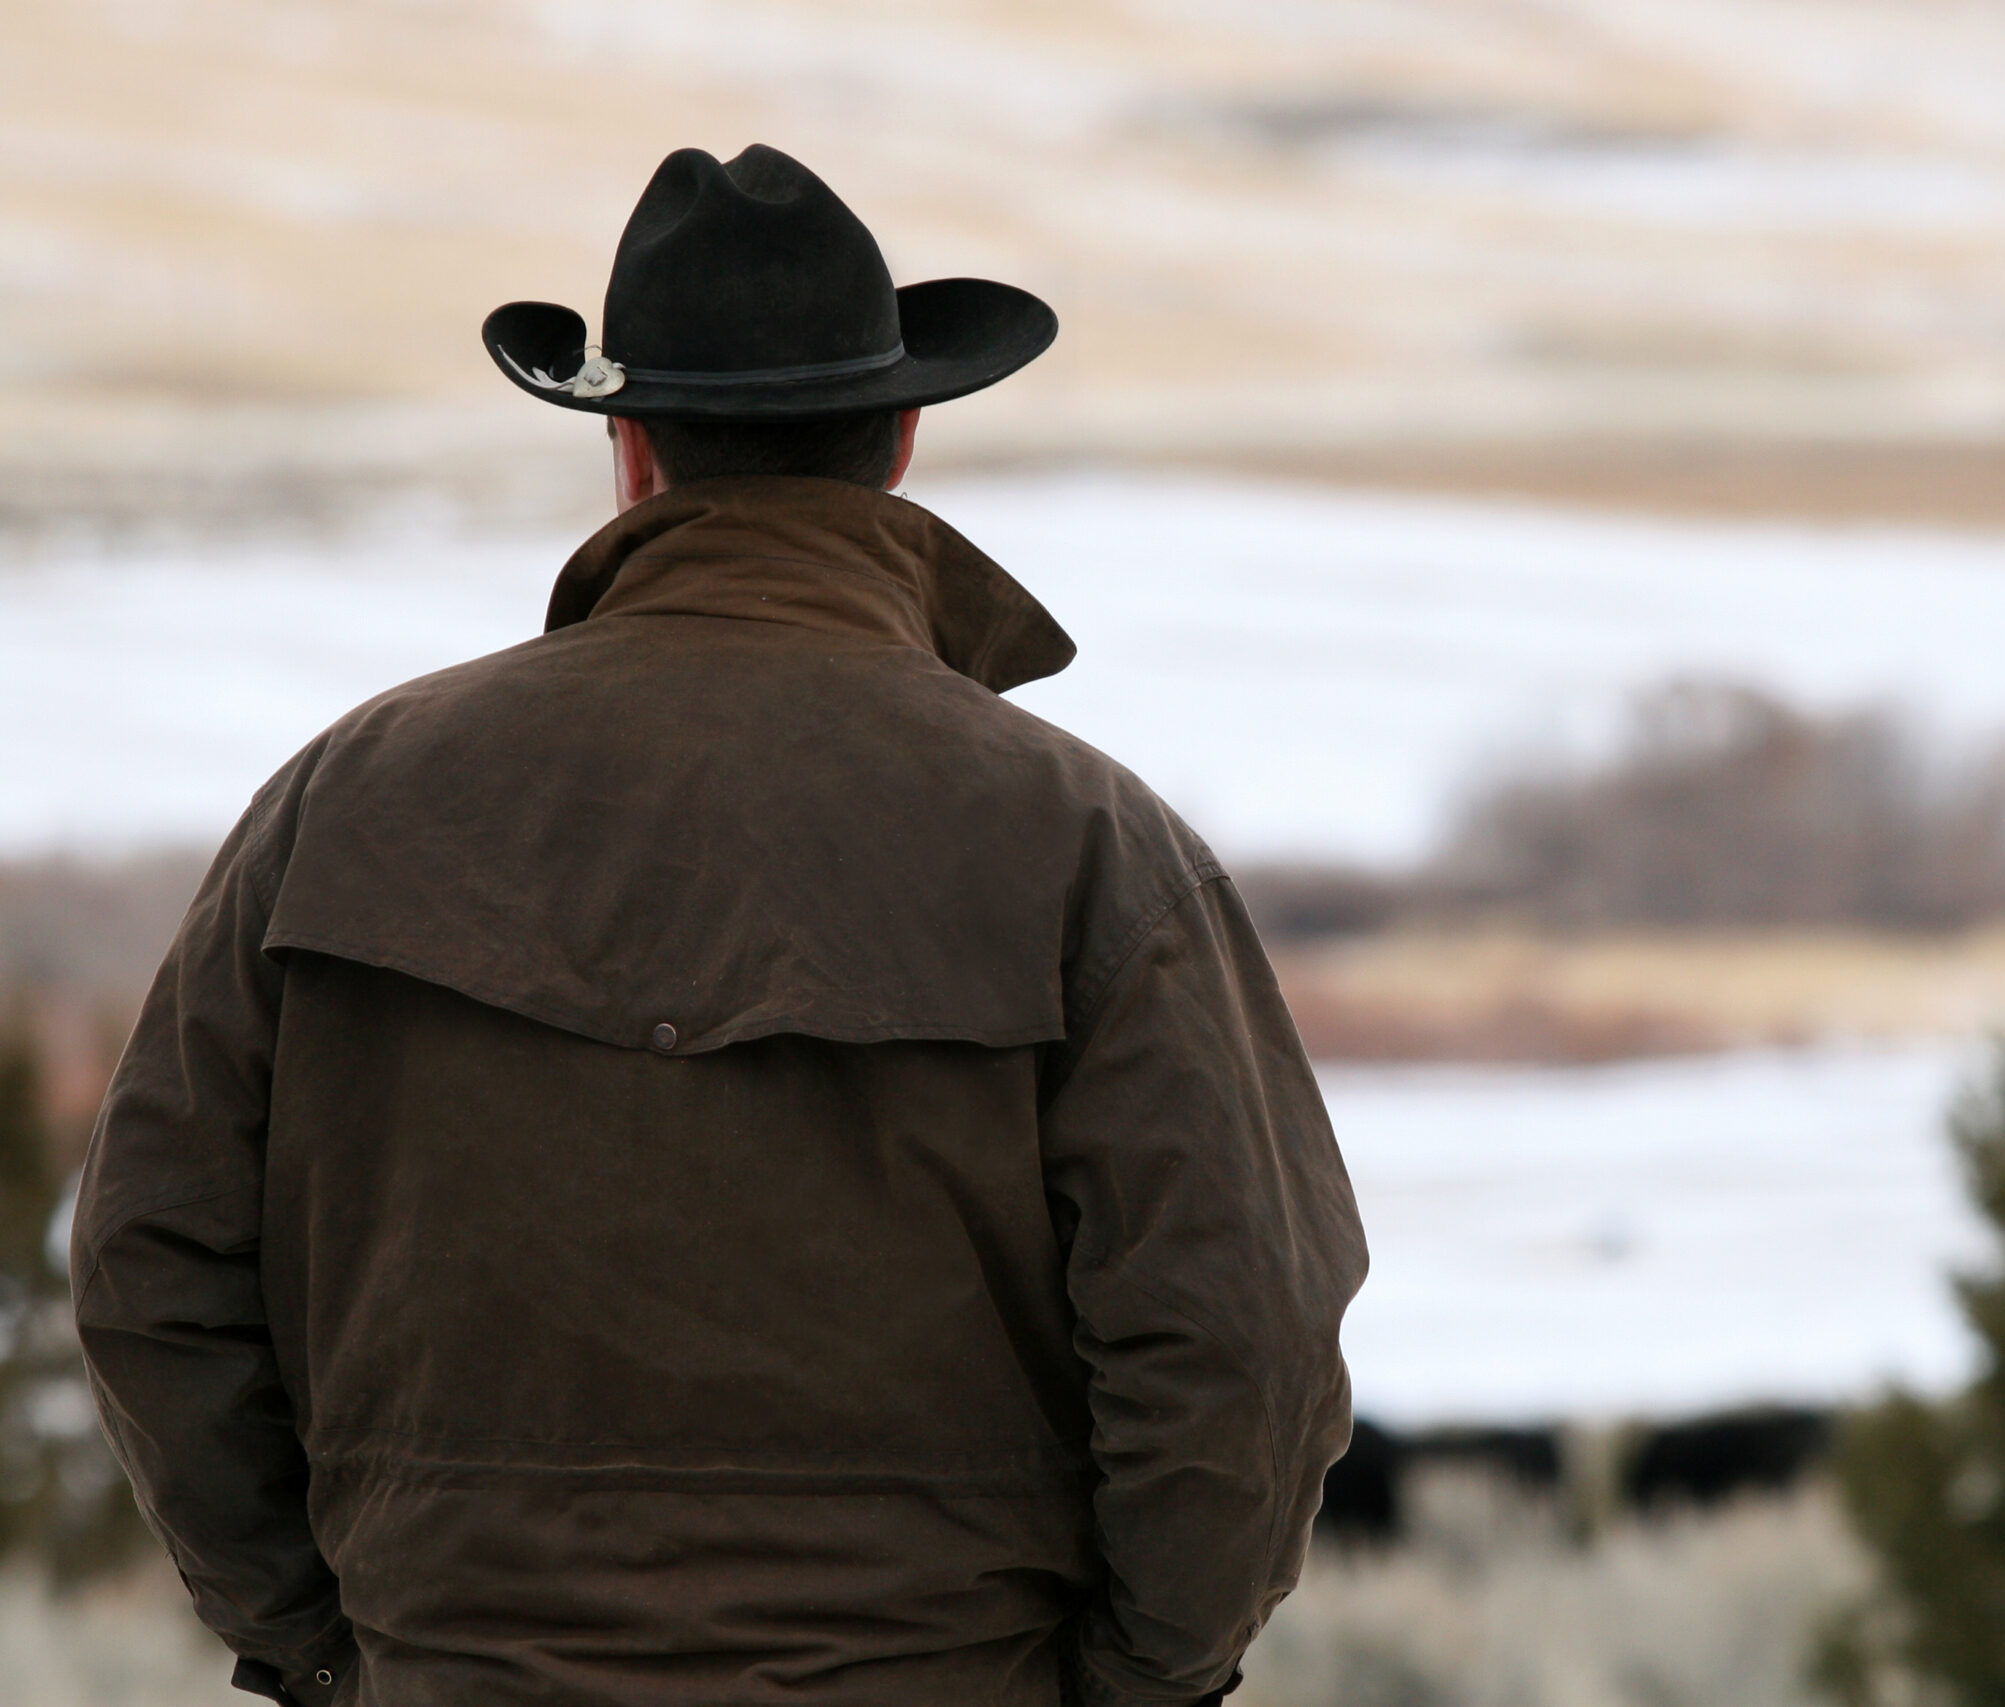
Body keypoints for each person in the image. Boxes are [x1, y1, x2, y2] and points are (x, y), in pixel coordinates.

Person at [71, 145, 1366, 1707]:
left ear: (627, 452)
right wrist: (1135, 1678)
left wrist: (327, 1648)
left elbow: (149, 1266)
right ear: (899, 442)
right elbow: (1239, 1339)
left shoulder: (344, 806)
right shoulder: (1086, 840)